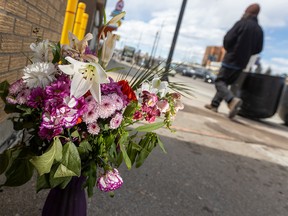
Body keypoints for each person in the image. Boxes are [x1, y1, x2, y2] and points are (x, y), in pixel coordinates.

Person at [205, 3, 264, 118]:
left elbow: (228, 38)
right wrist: (247, 53)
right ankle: (214, 105)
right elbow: (258, 48)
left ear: (248, 12)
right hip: (242, 63)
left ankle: (231, 100)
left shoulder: (241, 23)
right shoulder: (259, 30)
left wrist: (230, 50)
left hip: (231, 59)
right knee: (225, 84)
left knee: (219, 82)